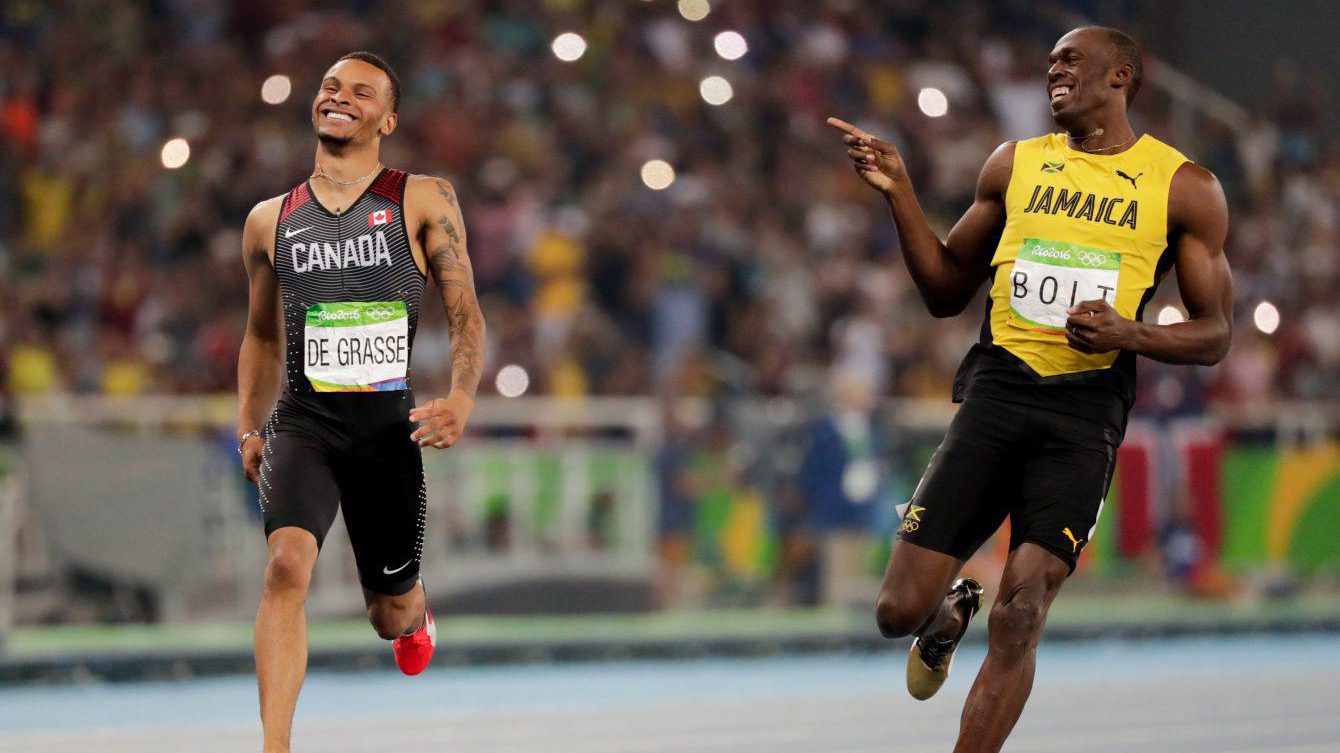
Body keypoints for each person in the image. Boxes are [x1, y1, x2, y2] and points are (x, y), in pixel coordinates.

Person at [828, 26, 1231, 753]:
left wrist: (1127, 333)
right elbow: (948, 288)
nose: (1054, 73)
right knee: (895, 610)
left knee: (1022, 612)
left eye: (1071, 62)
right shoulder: (1013, 166)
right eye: (1049, 64)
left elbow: (1216, 333)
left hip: (1083, 415)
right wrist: (901, 193)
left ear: (1121, 78)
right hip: (996, 396)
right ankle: (951, 607)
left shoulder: (1184, 187)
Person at [235, 51, 485, 753]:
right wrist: (249, 425)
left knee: (389, 613)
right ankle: (274, 745)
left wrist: (462, 397)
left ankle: (414, 615)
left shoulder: (423, 197)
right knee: (286, 566)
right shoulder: (268, 220)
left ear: (388, 117)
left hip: (384, 429)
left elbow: (466, 311)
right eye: (330, 87)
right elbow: (258, 334)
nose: (339, 97)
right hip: (305, 422)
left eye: (361, 91)